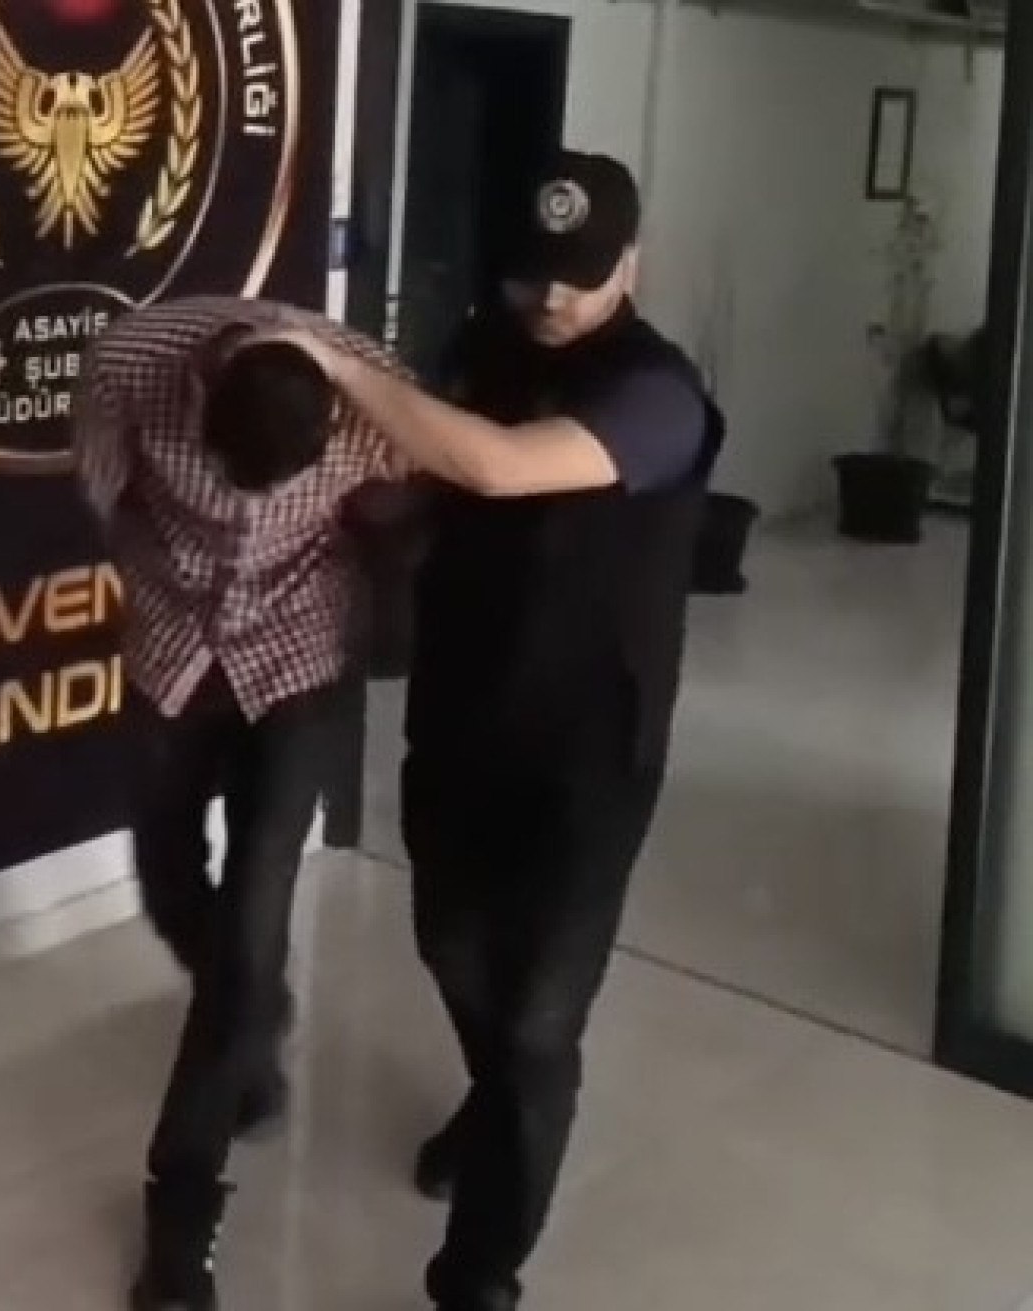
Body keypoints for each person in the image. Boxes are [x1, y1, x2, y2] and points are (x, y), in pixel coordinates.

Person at [284, 151, 724, 1311]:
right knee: (453, 951)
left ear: (631, 262)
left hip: (590, 753)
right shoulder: (481, 348)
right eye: (533, 271)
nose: (552, 296)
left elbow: (495, 463)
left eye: (579, 273)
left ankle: (477, 1276)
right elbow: (423, 476)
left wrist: (337, 363)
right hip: (462, 718)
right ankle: (497, 1104)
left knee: (536, 1019)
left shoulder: (657, 392)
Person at [73, 296, 410, 1311]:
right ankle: (252, 1014)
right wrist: (161, 571)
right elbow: (103, 493)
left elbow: (419, 488)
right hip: (172, 647)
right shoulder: (129, 364)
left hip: (298, 660)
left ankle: (181, 1214)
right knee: (167, 877)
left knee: (253, 914)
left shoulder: (371, 385)